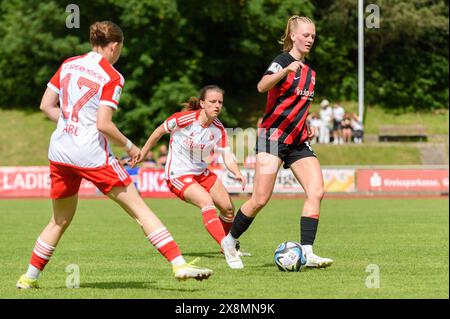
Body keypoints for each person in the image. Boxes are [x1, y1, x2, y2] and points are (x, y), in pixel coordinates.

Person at [16, 21, 212, 289]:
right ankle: (178, 264)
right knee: (140, 209)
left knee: (59, 219)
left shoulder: (69, 63)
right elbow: (103, 124)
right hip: (91, 156)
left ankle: (29, 278)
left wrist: (68, 125)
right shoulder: (112, 76)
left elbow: (45, 105)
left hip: (60, 152)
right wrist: (131, 147)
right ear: (115, 45)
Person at [221, 16, 333, 269]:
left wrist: (305, 124)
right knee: (260, 199)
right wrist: (284, 70)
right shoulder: (282, 61)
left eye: (313, 36)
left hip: (298, 142)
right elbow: (262, 86)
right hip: (272, 138)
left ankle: (308, 252)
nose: (310, 39)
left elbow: (296, 105)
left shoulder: (311, 73)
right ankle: (230, 241)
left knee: (316, 191)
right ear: (293, 36)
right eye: (305, 35)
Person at [135, 85, 249, 269]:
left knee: (228, 208)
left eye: (220, 102)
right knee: (206, 202)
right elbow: (158, 131)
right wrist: (143, 152)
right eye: (212, 102)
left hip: (201, 173)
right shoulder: (185, 119)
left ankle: (225, 246)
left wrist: (237, 172)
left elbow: (226, 154)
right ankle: (228, 248)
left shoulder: (218, 128)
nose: (217, 105)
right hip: (178, 175)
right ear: (202, 103)